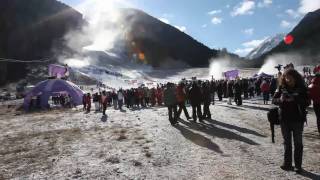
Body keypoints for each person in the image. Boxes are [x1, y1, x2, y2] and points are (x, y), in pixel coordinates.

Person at [273, 69, 310, 173]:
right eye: (285, 77)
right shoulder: (281, 87)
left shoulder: (302, 88)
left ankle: (298, 165)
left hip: (298, 120)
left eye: (290, 77)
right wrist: (280, 100)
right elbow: (273, 100)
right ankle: (287, 163)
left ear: (295, 77)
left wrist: (295, 99)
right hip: (284, 119)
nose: (287, 79)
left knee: (298, 143)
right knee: (287, 142)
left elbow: (308, 102)